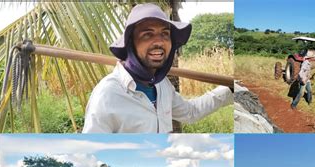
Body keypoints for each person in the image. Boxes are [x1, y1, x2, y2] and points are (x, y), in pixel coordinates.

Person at [82, 3, 233, 133]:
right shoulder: (108, 95)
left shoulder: (162, 85)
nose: (159, 42)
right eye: (147, 35)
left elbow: (190, 112)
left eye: (165, 34)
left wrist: (229, 90)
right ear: (130, 43)